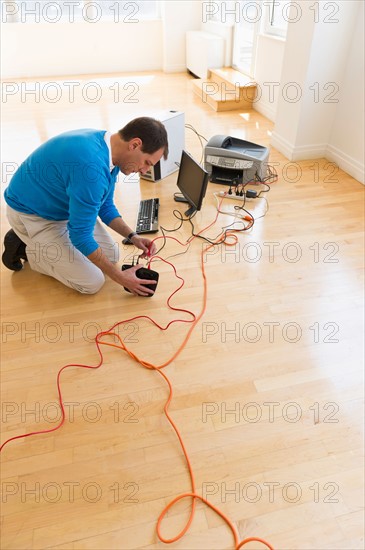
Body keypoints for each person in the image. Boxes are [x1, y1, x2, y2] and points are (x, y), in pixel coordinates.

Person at [2, 117, 168, 296]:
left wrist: (133, 236)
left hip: (63, 208)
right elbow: (80, 235)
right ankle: (26, 246)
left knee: (112, 255)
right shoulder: (91, 168)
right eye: (147, 163)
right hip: (33, 215)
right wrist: (120, 278)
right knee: (92, 282)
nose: (144, 171)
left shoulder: (109, 149)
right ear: (135, 144)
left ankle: (52, 246)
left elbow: (105, 206)